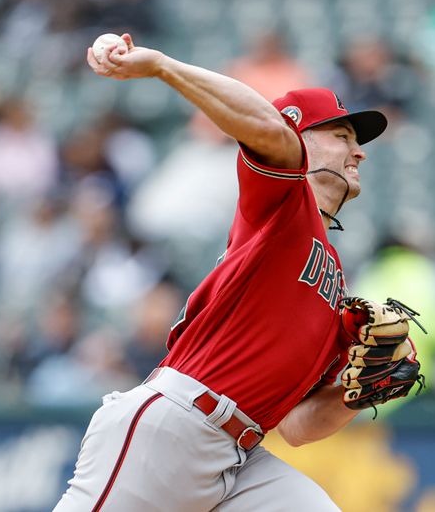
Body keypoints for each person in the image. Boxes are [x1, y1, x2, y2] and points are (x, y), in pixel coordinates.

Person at [54, 33, 412, 511]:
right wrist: (161, 65)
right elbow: (264, 128)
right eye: (342, 136)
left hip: (240, 456)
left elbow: (298, 428)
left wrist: (358, 393)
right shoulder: (283, 203)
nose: (359, 151)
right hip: (175, 428)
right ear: (297, 136)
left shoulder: (335, 279)